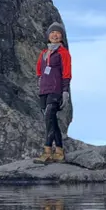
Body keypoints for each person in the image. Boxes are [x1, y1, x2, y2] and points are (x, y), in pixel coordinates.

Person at [36, 22, 72, 163]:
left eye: (58, 32)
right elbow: (39, 71)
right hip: (44, 90)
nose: (54, 35)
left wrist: (65, 92)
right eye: (52, 32)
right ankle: (59, 151)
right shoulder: (44, 53)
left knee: (48, 118)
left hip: (56, 90)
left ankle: (47, 152)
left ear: (61, 37)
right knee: (52, 120)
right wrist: (40, 83)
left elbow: (67, 73)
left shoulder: (63, 53)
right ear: (48, 35)